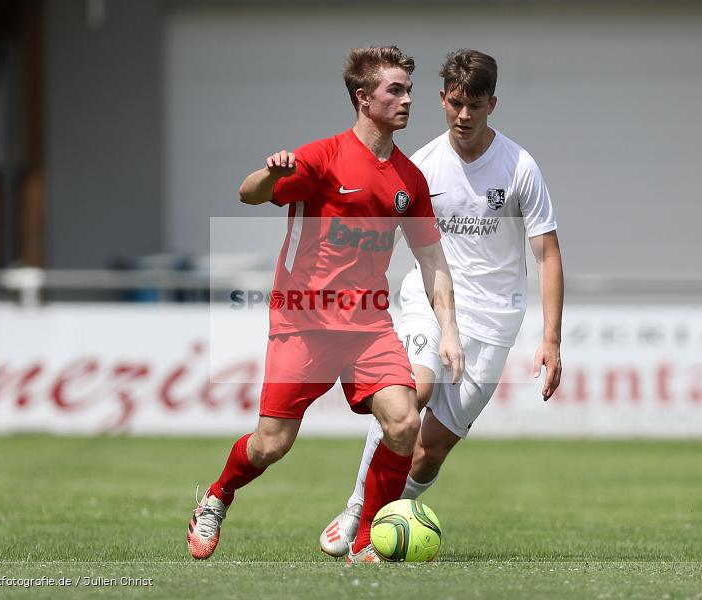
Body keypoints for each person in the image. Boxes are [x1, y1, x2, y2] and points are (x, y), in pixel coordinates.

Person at [186, 46, 464, 563]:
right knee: (271, 444)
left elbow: (432, 261)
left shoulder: (409, 179)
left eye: (408, 90)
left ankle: (367, 546)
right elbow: (247, 193)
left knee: (404, 421)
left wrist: (447, 329)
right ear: (363, 98)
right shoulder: (321, 157)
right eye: (395, 90)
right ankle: (218, 495)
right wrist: (271, 172)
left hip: (368, 324)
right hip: (303, 322)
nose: (407, 100)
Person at [319, 49, 564, 558]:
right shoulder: (423, 165)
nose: (464, 116)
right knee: (412, 393)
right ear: (442, 100)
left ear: (492, 104)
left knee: (429, 454)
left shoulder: (520, 167)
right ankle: (358, 513)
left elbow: (547, 254)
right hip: (430, 298)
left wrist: (551, 338)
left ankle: (389, 522)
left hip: (495, 319)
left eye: (475, 105)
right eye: (455, 103)